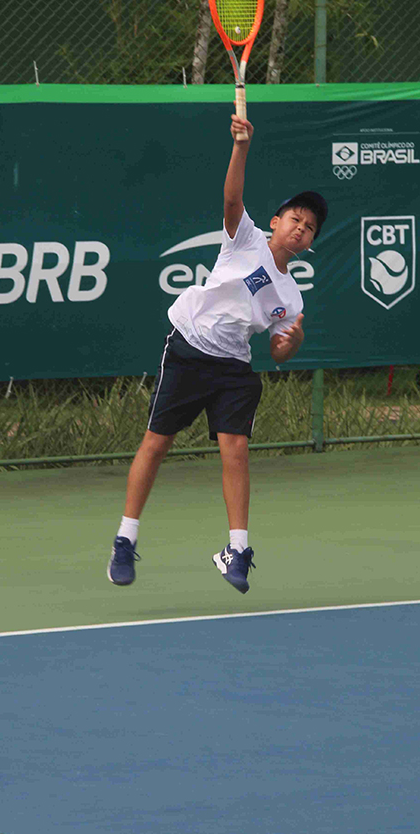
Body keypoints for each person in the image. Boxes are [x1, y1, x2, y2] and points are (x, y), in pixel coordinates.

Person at [107, 114, 327, 595]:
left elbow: (282, 347)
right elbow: (231, 198)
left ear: (310, 242)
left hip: (233, 365)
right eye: (295, 219)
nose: (301, 228)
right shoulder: (245, 237)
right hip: (189, 346)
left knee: (237, 449)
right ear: (276, 222)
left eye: (310, 228)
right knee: (157, 443)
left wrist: (291, 343)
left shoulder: (292, 297)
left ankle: (237, 550)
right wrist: (241, 147)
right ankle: (125, 539)